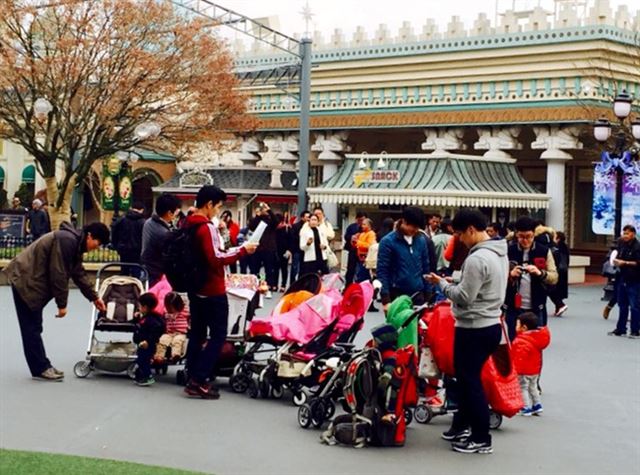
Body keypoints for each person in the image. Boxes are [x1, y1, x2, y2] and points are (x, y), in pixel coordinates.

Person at [426, 209, 508, 455]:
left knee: (469, 382)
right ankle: (462, 426)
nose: (459, 240)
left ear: (471, 229)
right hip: (491, 323)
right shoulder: (499, 252)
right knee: (466, 380)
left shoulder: (477, 258)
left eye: (460, 234)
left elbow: (465, 297)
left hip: (473, 326)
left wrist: (442, 284)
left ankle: (481, 437)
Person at [4, 222, 109, 381]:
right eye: (98, 243)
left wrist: (94, 298)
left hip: (29, 280)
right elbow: (58, 273)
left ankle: (41, 367)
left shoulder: (73, 243)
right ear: (90, 236)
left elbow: (78, 273)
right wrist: (62, 305)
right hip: (25, 281)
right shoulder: (67, 241)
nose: (97, 247)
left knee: (33, 327)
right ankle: (41, 368)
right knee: (31, 328)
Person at [183, 185, 258, 399]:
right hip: (212, 287)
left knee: (197, 333)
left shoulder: (188, 223)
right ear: (208, 205)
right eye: (217, 207)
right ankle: (200, 378)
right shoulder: (207, 227)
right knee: (218, 336)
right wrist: (243, 251)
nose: (217, 211)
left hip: (195, 286)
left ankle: (191, 375)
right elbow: (216, 258)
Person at [504, 216, 558, 340]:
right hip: (513, 307)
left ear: (534, 234)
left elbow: (554, 277)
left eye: (529, 236)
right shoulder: (508, 250)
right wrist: (510, 275)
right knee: (513, 343)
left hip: (536, 307)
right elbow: (497, 276)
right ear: (516, 235)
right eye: (521, 237)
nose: (525, 240)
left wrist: (540, 273)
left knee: (535, 343)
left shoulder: (544, 251)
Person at [377, 207, 431, 311]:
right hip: (396, 294)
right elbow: (382, 271)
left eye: (418, 228)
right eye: (413, 226)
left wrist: (428, 294)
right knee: (398, 327)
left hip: (418, 294)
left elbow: (425, 267)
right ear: (404, 221)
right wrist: (385, 299)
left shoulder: (421, 240)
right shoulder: (388, 242)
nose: (415, 230)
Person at [512, 311, 551, 416]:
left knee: (523, 387)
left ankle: (525, 406)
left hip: (523, 370)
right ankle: (537, 404)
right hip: (534, 369)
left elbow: (519, 358)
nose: (515, 326)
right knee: (533, 387)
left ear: (524, 327)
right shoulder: (537, 338)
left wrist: (514, 370)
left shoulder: (521, 340)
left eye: (517, 324)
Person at [141, 193, 182, 286]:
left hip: (146, 268)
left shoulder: (149, 222)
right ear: (169, 213)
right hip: (155, 273)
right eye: (176, 213)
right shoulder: (162, 232)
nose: (176, 216)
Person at [608, 225, 640, 338]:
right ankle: (621, 328)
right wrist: (616, 261)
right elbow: (617, 255)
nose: (625, 236)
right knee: (622, 304)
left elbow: (638, 262)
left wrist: (625, 263)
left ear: (633, 234)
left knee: (634, 305)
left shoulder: (637, 246)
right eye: (624, 233)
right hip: (622, 277)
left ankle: (635, 330)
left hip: (634, 279)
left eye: (627, 233)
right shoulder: (622, 244)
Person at [133, 292, 165, 387]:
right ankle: (141, 375)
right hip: (142, 343)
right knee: (141, 359)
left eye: (140, 306)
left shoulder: (152, 320)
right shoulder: (144, 318)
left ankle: (148, 376)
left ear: (145, 307)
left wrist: (148, 341)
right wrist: (136, 319)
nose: (138, 308)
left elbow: (155, 332)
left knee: (143, 360)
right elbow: (138, 326)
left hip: (147, 345)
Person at [249, 202, 278, 298]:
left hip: (269, 249)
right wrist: (258, 216)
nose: (264, 211)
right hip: (257, 248)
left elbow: (276, 221)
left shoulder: (270, 220)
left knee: (269, 270)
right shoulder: (257, 220)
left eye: (265, 209)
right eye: (262, 209)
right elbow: (251, 226)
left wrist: (269, 210)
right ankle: (254, 288)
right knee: (254, 270)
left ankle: (268, 289)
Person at [154, 292, 189, 364]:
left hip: (180, 333)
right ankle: (159, 356)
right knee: (162, 340)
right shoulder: (166, 312)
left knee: (177, 341)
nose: (172, 310)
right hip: (169, 333)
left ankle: (175, 355)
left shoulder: (185, 311)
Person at [111, 201, 146, 273]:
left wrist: (116, 246)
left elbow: (114, 233)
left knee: (124, 272)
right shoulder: (143, 222)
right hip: (137, 252)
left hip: (123, 250)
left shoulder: (121, 219)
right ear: (142, 210)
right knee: (136, 273)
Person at [549, 231, 570, 316]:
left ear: (558, 238)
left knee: (551, 289)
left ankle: (560, 304)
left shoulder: (557, 247)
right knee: (556, 290)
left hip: (558, 271)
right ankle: (558, 307)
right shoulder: (564, 247)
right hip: (563, 271)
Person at [343, 211, 367, 286]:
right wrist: (351, 237)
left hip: (363, 252)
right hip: (353, 251)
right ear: (356, 219)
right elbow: (346, 236)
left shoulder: (367, 228)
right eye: (359, 220)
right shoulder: (352, 227)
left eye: (363, 220)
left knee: (362, 270)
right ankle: (348, 286)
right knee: (350, 269)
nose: (361, 222)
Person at [289, 210, 310, 283]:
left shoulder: (310, 227)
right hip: (297, 250)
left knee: (304, 268)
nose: (308, 219)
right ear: (302, 217)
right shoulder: (295, 226)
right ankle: (292, 282)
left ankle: (301, 283)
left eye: (309, 217)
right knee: (295, 267)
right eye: (307, 217)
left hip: (306, 251)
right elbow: (292, 238)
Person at [355, 218, 376, 284]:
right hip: (360, 258)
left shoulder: (371, 234)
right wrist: (353, 241)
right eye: (362, 224)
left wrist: (358, 242)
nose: (362, 226)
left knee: (363, 278)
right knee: (359, 276)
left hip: (366, 259)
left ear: (369, 226)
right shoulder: (362, 234)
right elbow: (357, 245)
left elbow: (370, 245)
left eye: (364, 224)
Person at [275, 213, 291, 292]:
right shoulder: (274, 229)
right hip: (275, 250)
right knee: (275, 268)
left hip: (284, 251)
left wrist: (289, 250)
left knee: (284, 268)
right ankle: (275, 284)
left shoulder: (287, 228)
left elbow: (290, 240)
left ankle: (283, 285)